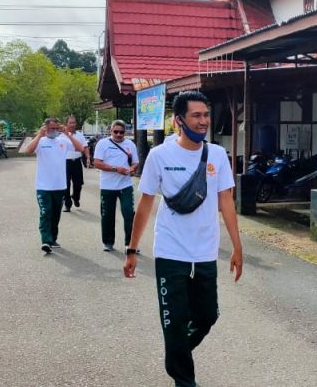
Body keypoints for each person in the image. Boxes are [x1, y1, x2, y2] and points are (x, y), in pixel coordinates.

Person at [123, 91, 244, 387]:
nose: (203, 121)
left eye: (206, 115)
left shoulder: (217, 155)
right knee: (174, 320)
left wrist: (237, 246)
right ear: (179, 120)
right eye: (196, 115)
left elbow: (226, 201)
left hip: (205, 251)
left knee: (207, 316)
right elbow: (145, 204)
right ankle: (184, 379)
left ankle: (177, 353)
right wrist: (132, 249)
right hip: (170, 250)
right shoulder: (159, 156)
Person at [24, 117, 87, 254]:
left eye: (56, 128)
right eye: (51, 128)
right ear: (45, 128)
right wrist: (39, 135)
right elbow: (28, 150)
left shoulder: (63, 141)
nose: (54, 131)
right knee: (46, 212)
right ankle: (46, 241)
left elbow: (80, 148)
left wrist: (67, 134)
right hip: (43, 186)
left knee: (55, 213)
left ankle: (52, 238)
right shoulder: (41, 141)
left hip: (59, 185)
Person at [93, 120, 139, 252]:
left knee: (129, 214)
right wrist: (116, 169)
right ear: (110, 131)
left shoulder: (130, 144)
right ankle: (108, 242)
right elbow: (97, 163)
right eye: (116, 131)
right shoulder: (102, 144)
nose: (119, 134)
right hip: (107, 186)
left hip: (125, 185)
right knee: (107, 215)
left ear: (125, 132)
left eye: (121, 132)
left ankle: (130, 244)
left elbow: (136, 162)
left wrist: (132, 169)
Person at [63, 115, 89, 212]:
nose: (72, 124)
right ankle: (67, 204)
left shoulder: (79, 135)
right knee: (66, 184)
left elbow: (85, 147)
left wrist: (88, 157)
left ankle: (75, 197)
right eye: (70, 123)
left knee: (78, 183)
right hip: (65, 162)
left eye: (74, 122)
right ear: (66, 124)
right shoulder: (61, 135)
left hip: (77, 161)